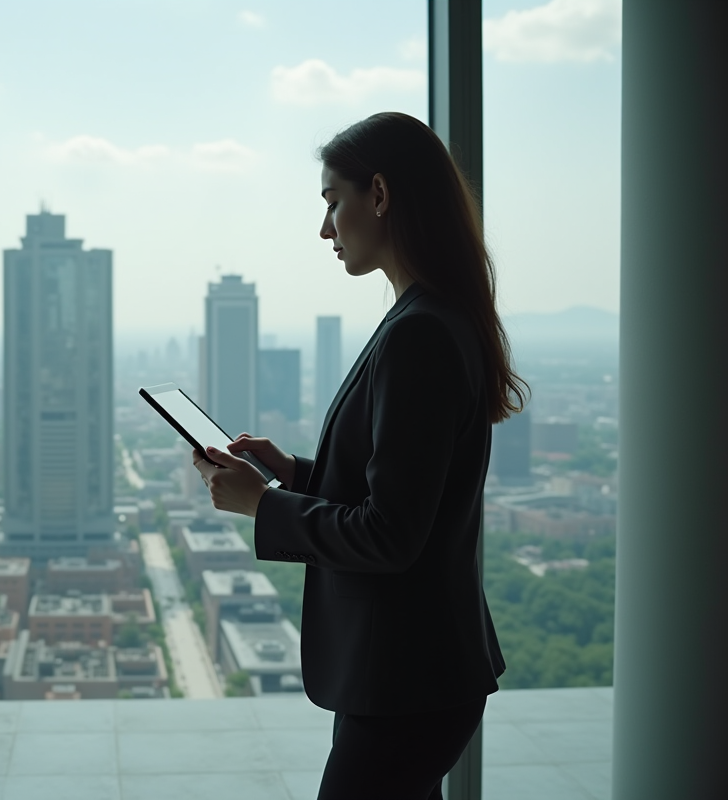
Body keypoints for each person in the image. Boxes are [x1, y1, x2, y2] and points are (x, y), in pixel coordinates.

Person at [192, 111, 526, 800]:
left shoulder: (419, 334)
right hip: (420, 677)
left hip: (405, 683)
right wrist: (296, 473)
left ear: (378, 195)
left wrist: (264, 505)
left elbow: (392, 534)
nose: (324, 230)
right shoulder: (436, 317)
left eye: (331, 201)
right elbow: (408, 495)